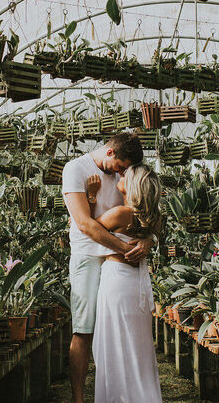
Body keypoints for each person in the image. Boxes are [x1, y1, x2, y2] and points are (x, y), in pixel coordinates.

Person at [62, 133, 152, 403]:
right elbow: (85, 224)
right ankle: (78, 398)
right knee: (84, 330)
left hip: (115, 266)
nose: (123, 172)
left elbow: (140, 210)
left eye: (126, 169)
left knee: (113, 332)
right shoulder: (75, 169)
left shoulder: (122, 177)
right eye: (121, 165)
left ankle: (116, 393)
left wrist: (146, 239)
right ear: (110, 152)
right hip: (88, 257)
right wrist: (125, 249)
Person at [90, 164, 164, 403]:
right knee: (137, 347)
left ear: (133, 185)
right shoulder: (152, 220)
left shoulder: (122, 214)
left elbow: (88, 230)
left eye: (126, 174)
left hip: (117, 282)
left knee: (113, 344)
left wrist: (91, 197)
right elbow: (151, 236)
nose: (121, 175)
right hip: (138, 284)